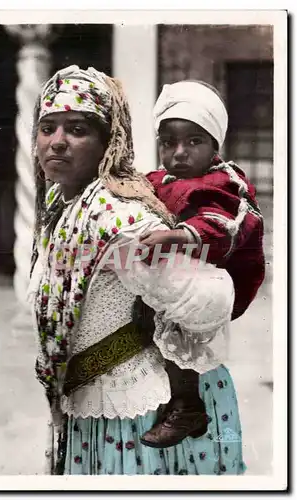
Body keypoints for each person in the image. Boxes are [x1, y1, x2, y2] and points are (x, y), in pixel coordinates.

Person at [28, 65, 246, 475]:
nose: (57, 142)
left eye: (77, 129)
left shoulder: (117, 218)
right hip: (92, 400)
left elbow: (207, 301)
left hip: (139, 410)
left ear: (108, 140)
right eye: (48, 128)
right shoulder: (65, 205)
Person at [138, 80, 265, 449]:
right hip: (183, 273)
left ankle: (188, 407)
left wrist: (177, 236)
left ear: (214, 146)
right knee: (152, 323)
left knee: (181, 331)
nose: (179, 153)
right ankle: (171, 400)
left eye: (193, 141)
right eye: (168, 142)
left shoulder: (223, 182)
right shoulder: (163, 179)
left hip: (218, 278)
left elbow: (221, 224)